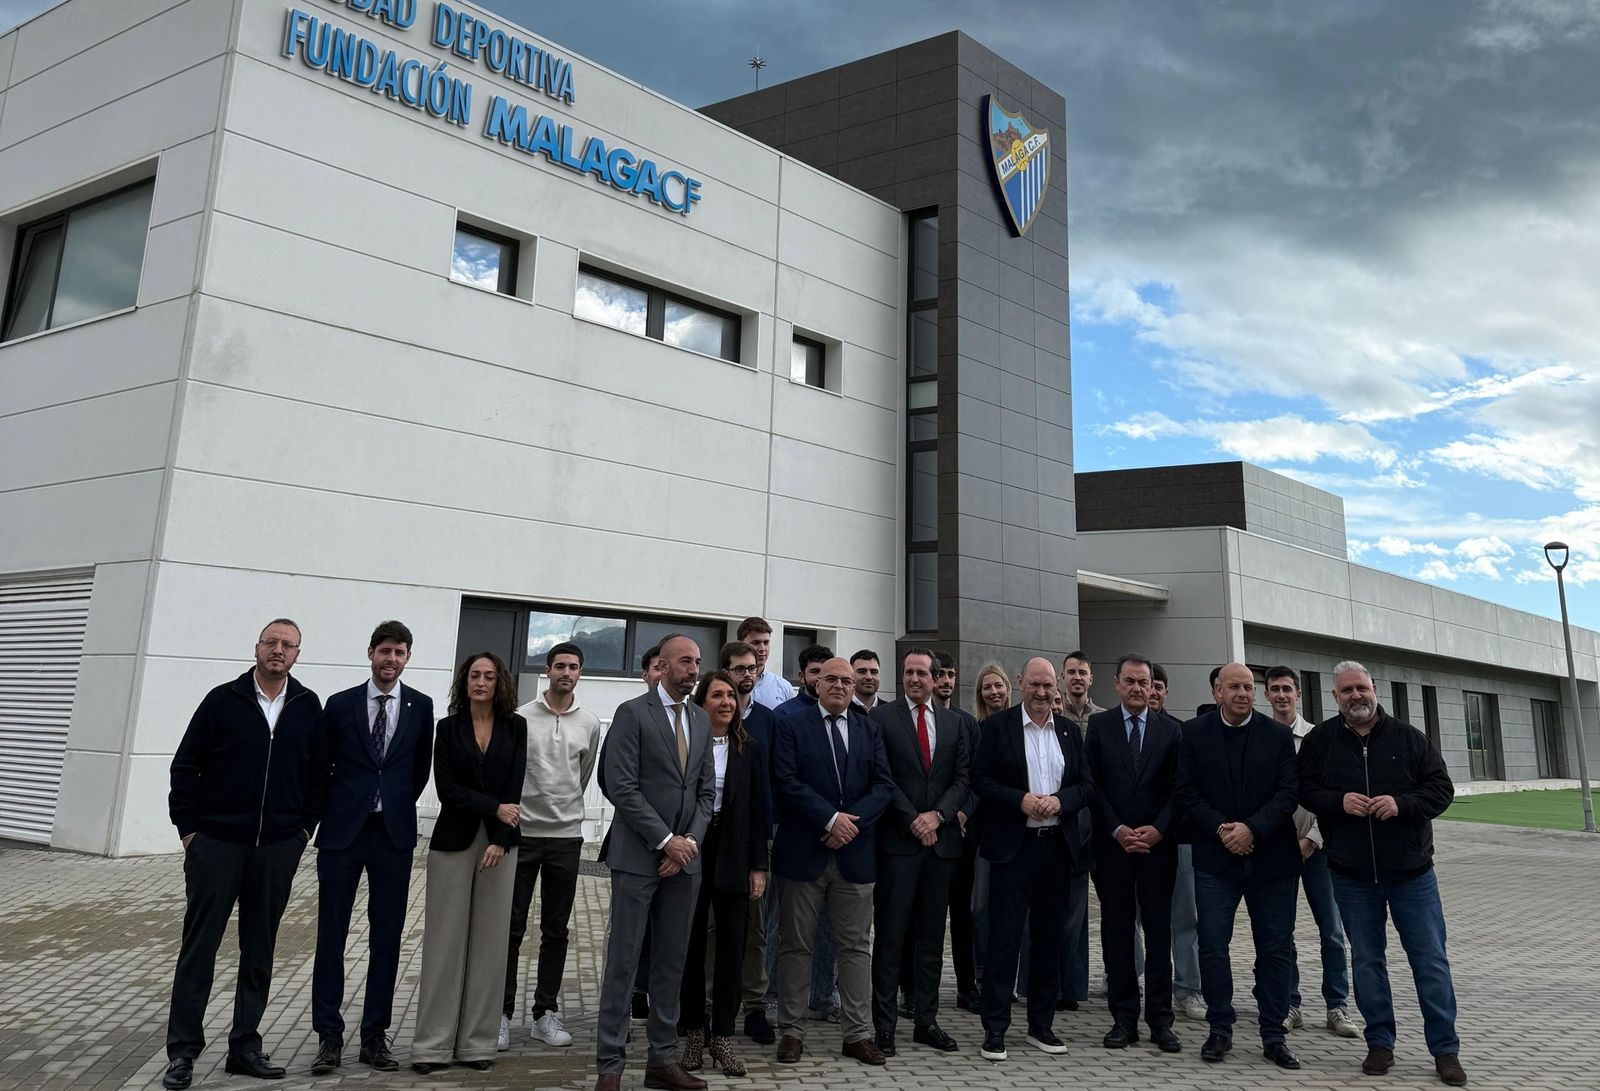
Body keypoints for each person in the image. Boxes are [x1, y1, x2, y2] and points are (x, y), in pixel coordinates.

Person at [162, 620, 324, 1090]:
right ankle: (183, 1052)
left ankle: (245, 1047)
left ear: (297, 654)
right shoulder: (222, 700)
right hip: (217, 846)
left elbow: (319, 775)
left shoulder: (307, 706)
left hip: (277, 847)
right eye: (271, 643)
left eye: (287, 645)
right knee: (199, 948)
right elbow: (185, 766)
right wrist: (191, 833)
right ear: (256, 648)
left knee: (260, 949)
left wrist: (302, 832)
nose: (278, 651)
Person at [1298, 661, 1465, 1087]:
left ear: (1375, 689)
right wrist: (1338, 802)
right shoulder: (1321, 742)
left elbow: (1441, 790)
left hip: (1412, 874)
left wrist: (1401, 804)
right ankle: (1380, 1044)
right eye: (1346, 691)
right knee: (1368, 962)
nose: (1356, 696)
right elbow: (1303, 789)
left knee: (1430, 962)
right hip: (1351, 875)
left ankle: (1445, 1050)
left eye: (1361, 687)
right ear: (1335, 698)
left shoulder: (1410, 739)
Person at [311, 621, 434, 1075]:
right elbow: (322, 765)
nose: (392, 659)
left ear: (407, 658)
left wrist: (393, 802)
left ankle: (374, 1037)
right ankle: (328, 1036)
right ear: (370, 653)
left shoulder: (421, 706)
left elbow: (418, 769)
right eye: (385, 650)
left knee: (387, 937)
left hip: (393, 835)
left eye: (400, 652)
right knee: (331, 935)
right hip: (343, 833)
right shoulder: (339, 704)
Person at [593, 634, 714, 1091]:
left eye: (697, 662)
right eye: (685, 662)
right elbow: (619, 785)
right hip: (638, 859)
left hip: (685, 863)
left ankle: (662, 1060)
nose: (693, 669)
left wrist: (687, 843)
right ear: (661, 667)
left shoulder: (701, 720)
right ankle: (610, 1064)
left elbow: (706, 793)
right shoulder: (632, 714)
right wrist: (665, 841)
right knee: (623, 962)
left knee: (671, 962)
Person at [1176, 662, 1300, 1070]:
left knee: (1275, 949)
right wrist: (1222, 830)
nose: (1243, 694)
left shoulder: (1278, 736)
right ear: (1217, 692)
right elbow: (1187, 792)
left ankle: (1273, 1034)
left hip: (1272, 861)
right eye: (1235, 687)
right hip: (1215, 860)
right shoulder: (1192, 734)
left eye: (1249, 687)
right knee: (1213, 946)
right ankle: (1220, 1029)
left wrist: (1251, 829)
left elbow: (1287, 794)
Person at [770, 657, 894, 1066]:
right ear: (816, 684)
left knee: (856, 948)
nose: (840, 686)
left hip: (855, 857)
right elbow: (786, 783)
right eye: (832, 680)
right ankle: (791, 1031)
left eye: (847, 680)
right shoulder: (791, 726)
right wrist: (829, 819)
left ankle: (857, 1034)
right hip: (804, 853)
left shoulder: (869, 729)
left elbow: (883, 786)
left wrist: (849, 825)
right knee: (796, 946)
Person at [972, 657, 1093, 1063]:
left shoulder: (1068, 731)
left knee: (1048, 940)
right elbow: (981, 781)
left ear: (1055, 686)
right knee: (1004, 939)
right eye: (1035, 685)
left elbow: (1085, 785)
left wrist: (1060, 800)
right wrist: (1019, 800)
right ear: (1021, 683)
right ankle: (994, 1029)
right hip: (1013, 848)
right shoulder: (996, 728)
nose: (1042, 693)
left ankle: (1042, 1024)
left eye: (1048, 686)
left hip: (1057, 848)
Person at [413, 653, 527, 1073]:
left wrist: (499, 832)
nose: (481, 682)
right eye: (475, 676)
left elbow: (515, 783)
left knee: (491, 945)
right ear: (464, 682)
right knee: (444, 944)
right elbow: (447, 789)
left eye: (489, 676)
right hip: (453, 841)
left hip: (501, 843)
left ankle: (478, 1044)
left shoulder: (517, 727)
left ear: (500, 683)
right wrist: (494, 808)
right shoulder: (447, 728)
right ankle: (432, 1047)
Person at [502, 642, 602, 1051]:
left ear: (580, 673)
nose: (566, 672)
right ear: (547, 670)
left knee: (556, 930)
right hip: (523, 836)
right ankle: (500, 1015)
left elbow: (583, 774)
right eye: (559, 665)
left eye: (573, 667)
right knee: (510, 927)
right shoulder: (520, 717)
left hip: (565, 839)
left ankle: (545, 1013)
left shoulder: (590, 722)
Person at [870, 648, 969, 1056]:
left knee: (931, 940)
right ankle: (884, 1026)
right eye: (908, 672)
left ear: (934, 678)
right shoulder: (881, 719)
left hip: (941, 846)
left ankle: (926, 1022)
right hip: (899, 844)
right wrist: (913, 819)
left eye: (921, 672)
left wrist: (938, 817)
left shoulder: (953, 722)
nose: (914, 679)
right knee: (891, 938)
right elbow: (880, 776)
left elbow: (963, 778)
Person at [1084, 655, 1182, 1053]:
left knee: (1159, 935)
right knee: (1117, 932)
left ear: (1153, 686)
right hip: (1114, 848)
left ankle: (1160, 1020)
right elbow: (1091, 784)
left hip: (1158, 848)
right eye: (1131, 681)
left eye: (1145, 682)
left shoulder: (1172, 730)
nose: (1139, 688)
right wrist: (1116, 828)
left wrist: (1158, 830)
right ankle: (1124, 1018)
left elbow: (1180, 789)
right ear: (1117, 685)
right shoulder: (1100, 726)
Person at [678, 670, 769, 1076]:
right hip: (692, 850)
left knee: (732, 948)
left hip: (734, 854)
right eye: (717, 696)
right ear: (702, 703)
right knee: (691, 946)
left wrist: (758, 866)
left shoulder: (749, 749)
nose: (726, 703)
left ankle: (724, 1037)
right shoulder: (686, 745)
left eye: (731, 696)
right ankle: (694, 1033)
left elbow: (758, 811)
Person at [1264, 665, 1359, 1039]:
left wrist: (1312, 839)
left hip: (1317, 848)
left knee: (1332, 930)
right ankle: (1290, 1004)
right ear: (1267, 696)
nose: (1282, 695)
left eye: (1288, 689)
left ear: (1298, 695)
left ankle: (1337, 1005)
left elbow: (1328, 795)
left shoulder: (1318, 739)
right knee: (1281, 931)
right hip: (1277, 850)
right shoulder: (1264, 737)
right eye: (1275, 689)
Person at [719, 641, 780, 1046]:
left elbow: (773, 782)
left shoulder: (768, 721)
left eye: (752, 668)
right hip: (710, 840)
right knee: (710, 927)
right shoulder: (706, 716)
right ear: (724, 671)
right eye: (738, 668)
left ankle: (755, 1006)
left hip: (755, 838)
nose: (747, 674)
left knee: (755, 928)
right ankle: (709, 1006)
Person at [964, 663, 1011, 1011]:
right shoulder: (975, 729)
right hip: (981, 833)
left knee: (1011, 910)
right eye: (987, 688)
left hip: (1019, 831)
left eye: (999, 686)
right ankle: (981, 973)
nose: (994, 692)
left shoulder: (1023, 728)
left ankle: (1009, 977)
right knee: (980, 907)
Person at [738, 616, 795, 710]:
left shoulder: (783, 687)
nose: (762, 649)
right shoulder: (727, 683)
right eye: (755, 643)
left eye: (766, 643)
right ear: (740, 644)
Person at [774, 644, 832, 718]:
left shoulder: (842, 711)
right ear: (802, 677)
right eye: (815, 671)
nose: (820, 677)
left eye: (826, 672)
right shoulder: (785, 714)